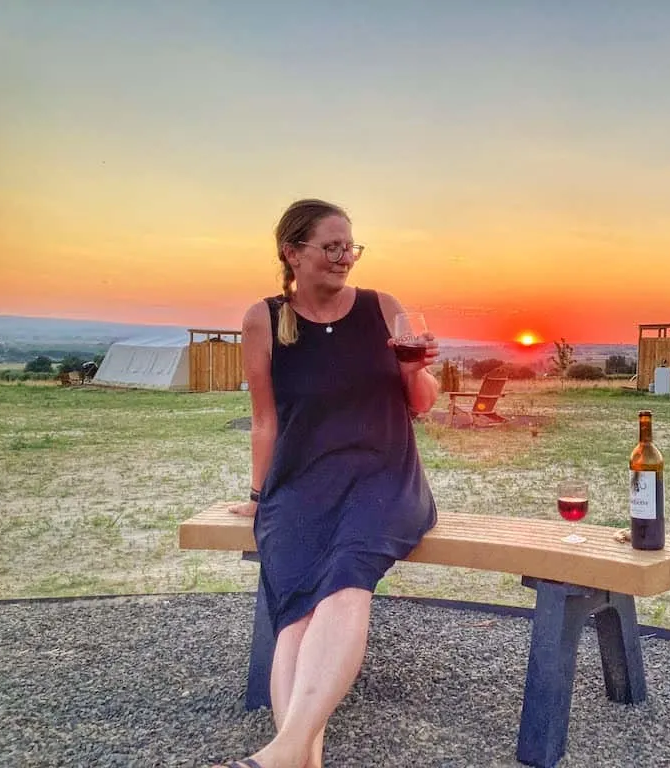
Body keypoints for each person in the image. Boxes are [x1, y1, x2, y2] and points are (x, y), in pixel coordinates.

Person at [216, 199, 439, 768]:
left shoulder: (381, 308)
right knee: (296, 608)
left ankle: (283, 753)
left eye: (351, 246)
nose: (345, 258)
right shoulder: (263, 319)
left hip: (383, 476)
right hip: (301, 483)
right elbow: (266, 418)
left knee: (344, 579)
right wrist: (258, 497)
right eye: (332, 246)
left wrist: (415, 372)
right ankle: (300, 757)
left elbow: (420, 405)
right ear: (293, 252)